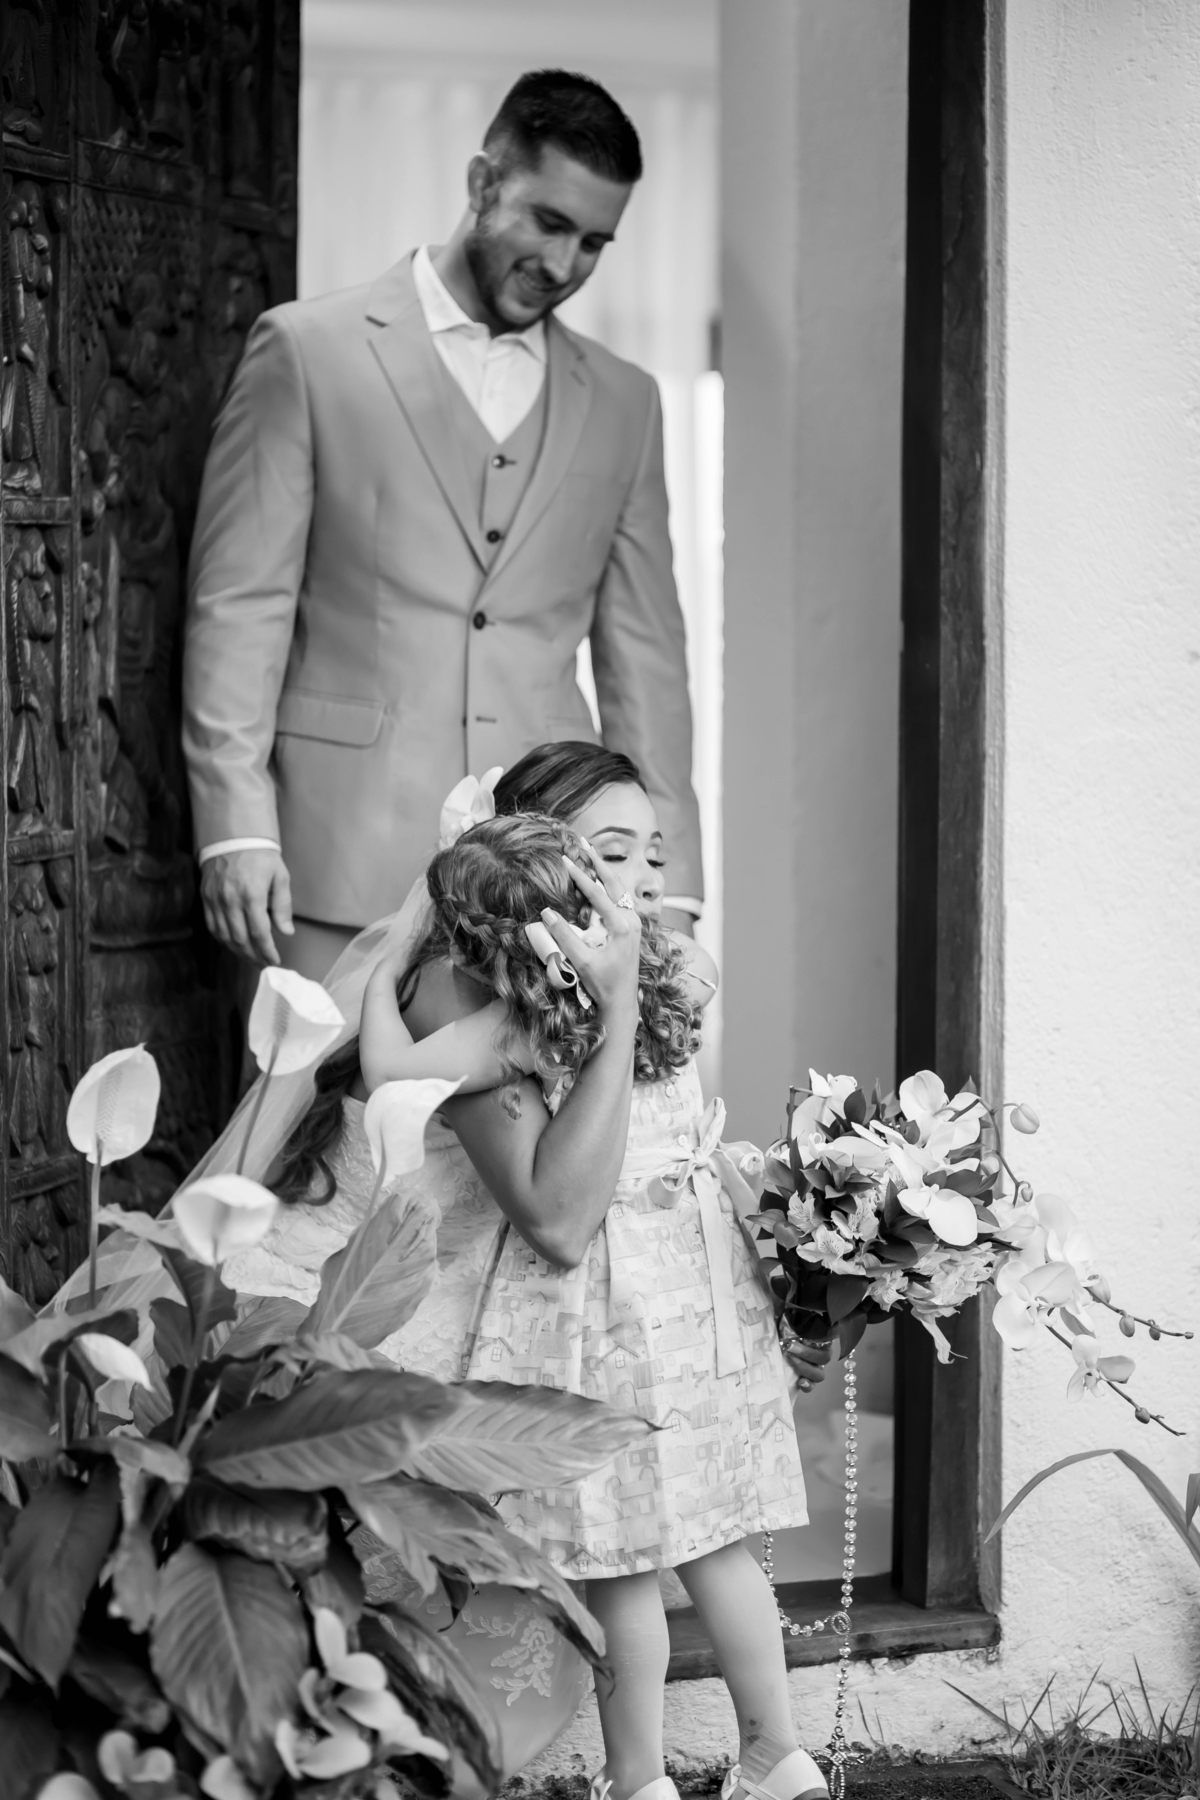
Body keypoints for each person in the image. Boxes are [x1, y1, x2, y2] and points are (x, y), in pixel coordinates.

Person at [229, 746, 829, 1800]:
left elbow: (390, 1070)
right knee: (721, 1542)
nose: (646, 878)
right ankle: (778, 1755)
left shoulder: (524, 1018)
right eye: (614, 855)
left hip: (603, 1311)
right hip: (700, 1302)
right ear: (547, 871)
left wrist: (386, 976)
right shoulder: (676, 976)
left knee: (623, 1565)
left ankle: (639, 1779)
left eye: (654, 855)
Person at [183, 68, 704, 983]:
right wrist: (236, 827)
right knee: (318, 1082)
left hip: (554, 873)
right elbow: (240, 606)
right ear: (481, 183)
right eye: (547, 222)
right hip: (331, 857)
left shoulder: (629, 403)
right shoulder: (307, 351)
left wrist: (674, 883)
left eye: (594, 242)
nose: (564, 265)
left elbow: (647, 663)